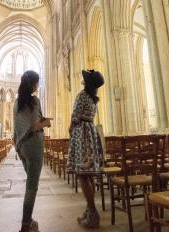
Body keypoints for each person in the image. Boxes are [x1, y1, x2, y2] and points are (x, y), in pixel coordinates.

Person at [13, 70, 51, 232]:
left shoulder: (17, 102)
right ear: (33, 84)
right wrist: (46, 123)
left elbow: (20, 127)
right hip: (34, 145)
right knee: (32, 186)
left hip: (21, 146)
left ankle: (28, 219)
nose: (38, 85)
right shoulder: (34, 101)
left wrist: (18, 146)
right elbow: (34, 126)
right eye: (38, 82)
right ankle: (26, 223)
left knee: (31, 181)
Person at [67, 69, 105, 228]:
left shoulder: (82, 95)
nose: (82, 80)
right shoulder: (93, 98)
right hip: (91, 132)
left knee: (83, 176)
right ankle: (89, 211)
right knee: (88, 175)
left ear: (87, 83)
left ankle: (93, 212)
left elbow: (75, 116)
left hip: (82, 134)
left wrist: (70, 129)